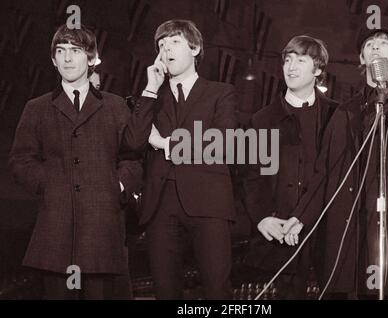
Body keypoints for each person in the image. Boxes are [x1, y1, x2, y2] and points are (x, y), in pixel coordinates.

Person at [283, 17, 388, 299]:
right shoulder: (346, 112)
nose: (376, 48)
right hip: (352, 226)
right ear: (362, 57)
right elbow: (326, 172)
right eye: (370, 44)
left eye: (385, 43)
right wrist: (300, 216)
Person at [9, 24, 142, 299]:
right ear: (53, 60)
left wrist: (117, 187)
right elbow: (21, 160)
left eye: (76, 50)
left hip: (103, 232)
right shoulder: (37, 108)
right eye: (61, 51)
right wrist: (50, 185)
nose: (67, 58)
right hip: (55, 234)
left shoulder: (117, 107)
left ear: (91, 58)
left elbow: (133, 158)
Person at [123, 19, 237, 299]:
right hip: (160, 204)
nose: (166, 50)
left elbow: (220, 141)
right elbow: (134, 142)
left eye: (174, 42)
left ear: (195, 48)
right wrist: (150, 89)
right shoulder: (151, 98)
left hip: (209, 203)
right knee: (165, 290)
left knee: (217, 289)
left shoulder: (221, 93)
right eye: (161, 45)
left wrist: (164, 144)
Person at [243, 35, 338, 298]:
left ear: (318, 69)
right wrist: (263, 217)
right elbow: (253, 177)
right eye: (287, 60)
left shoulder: (337, 116)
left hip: (327, 230)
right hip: (280, 231)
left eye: (300, 60)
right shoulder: (261, 120)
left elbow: (339, 174)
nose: (291, 67)